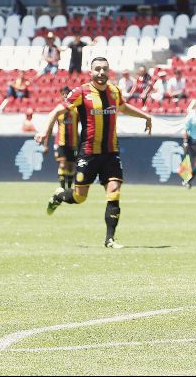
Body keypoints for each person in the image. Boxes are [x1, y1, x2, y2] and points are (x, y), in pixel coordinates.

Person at [35, 57, 153, 249]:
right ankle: (59, 196)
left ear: (108, 71)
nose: (101, 72)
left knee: (114, 191)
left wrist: (145, 115)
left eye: (104, 69)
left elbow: (123, 107)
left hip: (110, 152)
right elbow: (56, 111)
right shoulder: (81, 92)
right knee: (80, 197)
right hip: (88, 153)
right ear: (91, 72)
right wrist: (44, 131)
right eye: (97, 69)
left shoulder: (114, 91)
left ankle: (110, 239)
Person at [50, 86, 78, 190]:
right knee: (62, 165)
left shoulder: (76, 109)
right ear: (61, 95)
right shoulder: (58, 109)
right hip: (61, 142)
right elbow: (51, 123)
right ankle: (62, 188)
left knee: (71, 166)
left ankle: (69, 189)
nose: (65, 95)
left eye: (67, 93)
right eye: (63, 93)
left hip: (73, 143)